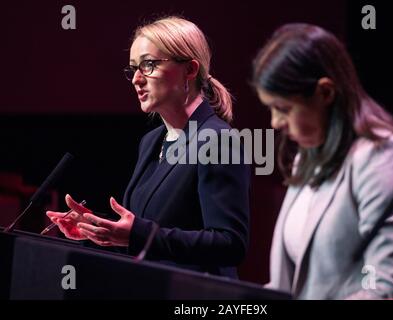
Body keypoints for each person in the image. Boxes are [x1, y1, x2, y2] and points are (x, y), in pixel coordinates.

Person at [47, 16, 250, 279]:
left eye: (149, 65)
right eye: (133, 68)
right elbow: (146, 234)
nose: (136, 79)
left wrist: (137, 234)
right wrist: (99, 230)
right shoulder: (152, 141)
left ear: (189, 70)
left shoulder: (218, 140)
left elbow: (230, 244)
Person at [252, 23, 393, 299]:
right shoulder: (308, 157)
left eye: (284, 109)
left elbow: (388, 289)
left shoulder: (385, 157)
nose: (276, 123)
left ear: (325, 92)